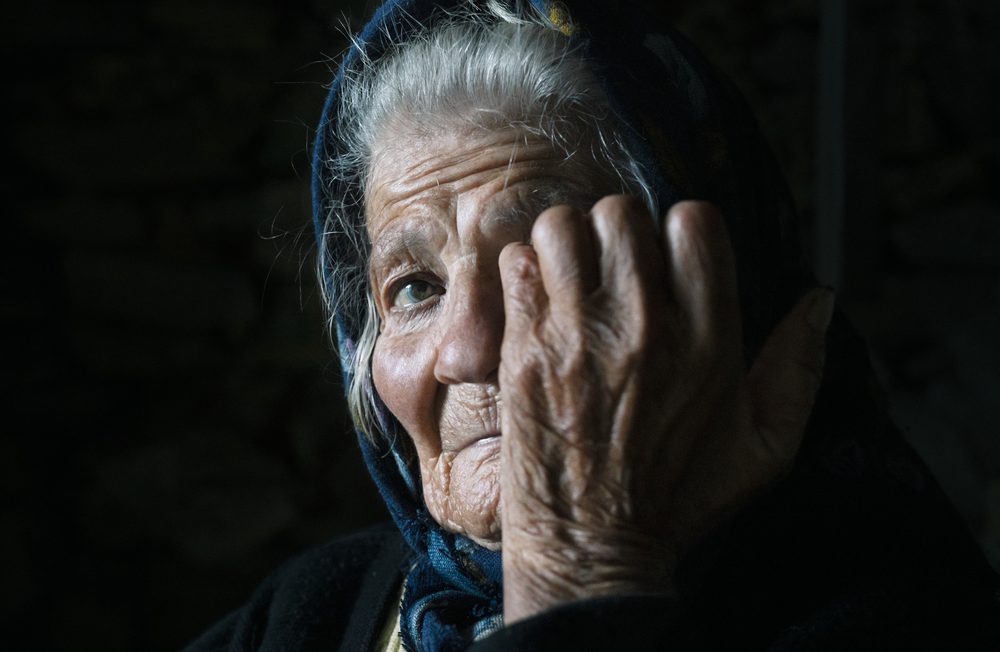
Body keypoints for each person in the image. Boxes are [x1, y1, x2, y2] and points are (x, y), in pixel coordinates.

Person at [185, 1, 999, 650]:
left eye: (544, 261)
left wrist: (578, 577)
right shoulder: (313, 615)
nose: (467, 349)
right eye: (415, 288)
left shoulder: (904, 618)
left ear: (724, 285)